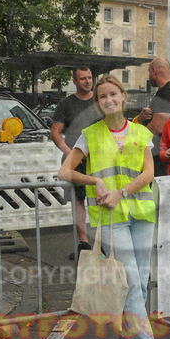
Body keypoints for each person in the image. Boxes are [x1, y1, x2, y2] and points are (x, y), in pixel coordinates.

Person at [58, 76, 170, 339]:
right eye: (102, 96)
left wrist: (122, 192)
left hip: (141, 212)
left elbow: (148, 173)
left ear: (123, 96)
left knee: (139, 283)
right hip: (110, 219)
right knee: (131, 281)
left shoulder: (141, 132)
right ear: (98, 103)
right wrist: (95, 180)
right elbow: (65, 171)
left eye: (113, 94)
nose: (108, 100)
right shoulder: (90, 134)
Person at [51, 66, 102, 260]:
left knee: (102, 200)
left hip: (99, 160)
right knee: (78, 201)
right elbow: (55, 133)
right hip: (76, 162)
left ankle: (102, 243)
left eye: (89, 77)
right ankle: (84, 243)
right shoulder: (66, 104)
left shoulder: (100, 101)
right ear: (74, 81)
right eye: (83, 78)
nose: (88, 81)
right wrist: (70, 153)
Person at [135, 57, 170, 177]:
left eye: (149, 71)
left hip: (160, 160)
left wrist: (136, 128)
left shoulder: (165, 92)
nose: (149, 76)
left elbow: (157, 128)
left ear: (154, 71)